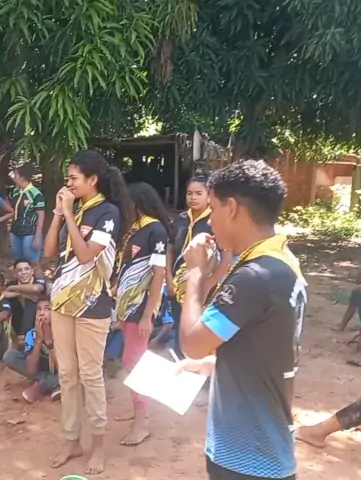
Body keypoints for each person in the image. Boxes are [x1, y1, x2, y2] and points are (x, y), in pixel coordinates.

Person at [178, 159, 306, 480]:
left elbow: (192, 343)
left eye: (213, 209)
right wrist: (214, 365)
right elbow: (265, 343)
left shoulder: (255, 276)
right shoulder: (282, 262)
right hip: (263, 448)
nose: (210, 221)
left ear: (232, 208)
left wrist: (196, 273)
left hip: (247, 459)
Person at [43, 149, 131, 476]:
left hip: (93, 304)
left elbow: (85, 256)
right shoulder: (75, 209)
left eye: (73, 178)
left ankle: (97, 445)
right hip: (62, 302)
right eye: (67, 179)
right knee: (67, 375)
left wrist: (68, 213)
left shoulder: (108, 212)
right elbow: (49, 251)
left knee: (90, 376)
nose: (68, 184)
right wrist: (58, 213)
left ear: (93, 179)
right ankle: (71, 439)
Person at [112, 181, 171, 446]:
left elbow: (158, 275)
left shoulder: (155, 230)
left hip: (140, 309)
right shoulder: (135, 229)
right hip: (127, 307)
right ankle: (138, 410)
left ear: (137, 203)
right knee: (131, 360)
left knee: (134, 362)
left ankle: (142, 422)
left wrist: (148, 315)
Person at [167, 174, 232, 346]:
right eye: (189, 193)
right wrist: (169, 279)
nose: (193, 197)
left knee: (197, 331)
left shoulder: (214, 222)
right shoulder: (180, 220)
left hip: (203, 287)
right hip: (178, 286)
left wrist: (209, 284)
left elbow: (226, 259)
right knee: (180, 326)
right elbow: (170, 249)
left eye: (198, 193)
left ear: (209, 196)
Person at [2, 295, 61, 403]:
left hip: (62, 369)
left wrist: (49, 343)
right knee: (9, 356)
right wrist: (38, 341)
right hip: (42, 368)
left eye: (47, 309)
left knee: (75, 375)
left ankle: (45, 384)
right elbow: (31, 370)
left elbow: (63, 368)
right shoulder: (31, 334)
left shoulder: (62, 331)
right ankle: (52, 382)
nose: (41, 313)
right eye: (38, 309)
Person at [8, 163, 45, 277]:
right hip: (15, 231)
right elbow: (8, 204)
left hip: (30, 232)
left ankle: (40, 284)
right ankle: (22, 286)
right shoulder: (15, 191)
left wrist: (37, 237)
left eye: (15, 175)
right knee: (18, 263)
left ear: (22, 177)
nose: (13, 177)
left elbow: (41, 216)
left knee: (33, 263)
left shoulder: (35, 194)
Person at [4, 259, 47, 342]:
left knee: (30, 302)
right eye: (19, 270)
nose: (24, 273)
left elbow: (35, 288)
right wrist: (21, 294)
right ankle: (18, 335)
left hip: (37, 318)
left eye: (27, 269)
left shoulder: (38, 281)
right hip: (19, 318)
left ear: (32, 271)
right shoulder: (12, 283)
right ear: (15, 274)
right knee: (11, 302)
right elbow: (2, 294)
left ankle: (25, 336)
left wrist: (13, 288)